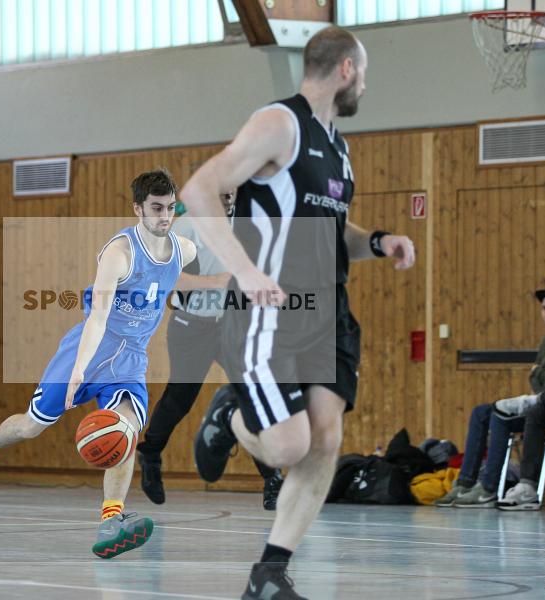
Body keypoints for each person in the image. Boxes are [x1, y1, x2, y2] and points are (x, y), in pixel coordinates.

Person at [181, 27, 415, 599]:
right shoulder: (277, 124)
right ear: (345, 70)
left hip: (329, 312)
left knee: (326, 441)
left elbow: (336, 231)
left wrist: (379, 241)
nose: (365, 82)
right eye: (364, 71)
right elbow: (199, 190)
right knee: (290, 446)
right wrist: (244, 271)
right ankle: (229, 417)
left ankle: (269, 573)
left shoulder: (337, 144)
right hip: (271, 311)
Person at [0, 169, 196, 558]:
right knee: (30, 427)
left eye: (170, 208)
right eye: (156, 209)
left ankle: (111, 519)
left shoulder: (184, 249)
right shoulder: (120, 254)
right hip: (87, 351)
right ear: (137, 209)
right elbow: (97, 318)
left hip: (129, 361)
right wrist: (79, 369)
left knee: (125, 431)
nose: (165, 216)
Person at [136, 189, 283, 510]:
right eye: (221, 192)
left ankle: (272, 477)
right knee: (180, 398)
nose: (228, 198)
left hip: (231, 325)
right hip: (192, 327)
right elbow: (167, 277)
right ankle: (150, 453)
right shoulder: (187, 227)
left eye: (232, 192)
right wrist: (215, 281)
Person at [435, 284, 545, 509]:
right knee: (481, 412)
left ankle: (488, 488)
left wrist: (538, 371)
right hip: (539, 402)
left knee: (501, 416)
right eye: (544, 308)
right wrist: (540, 375)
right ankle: (465, 482)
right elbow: (537, 381)